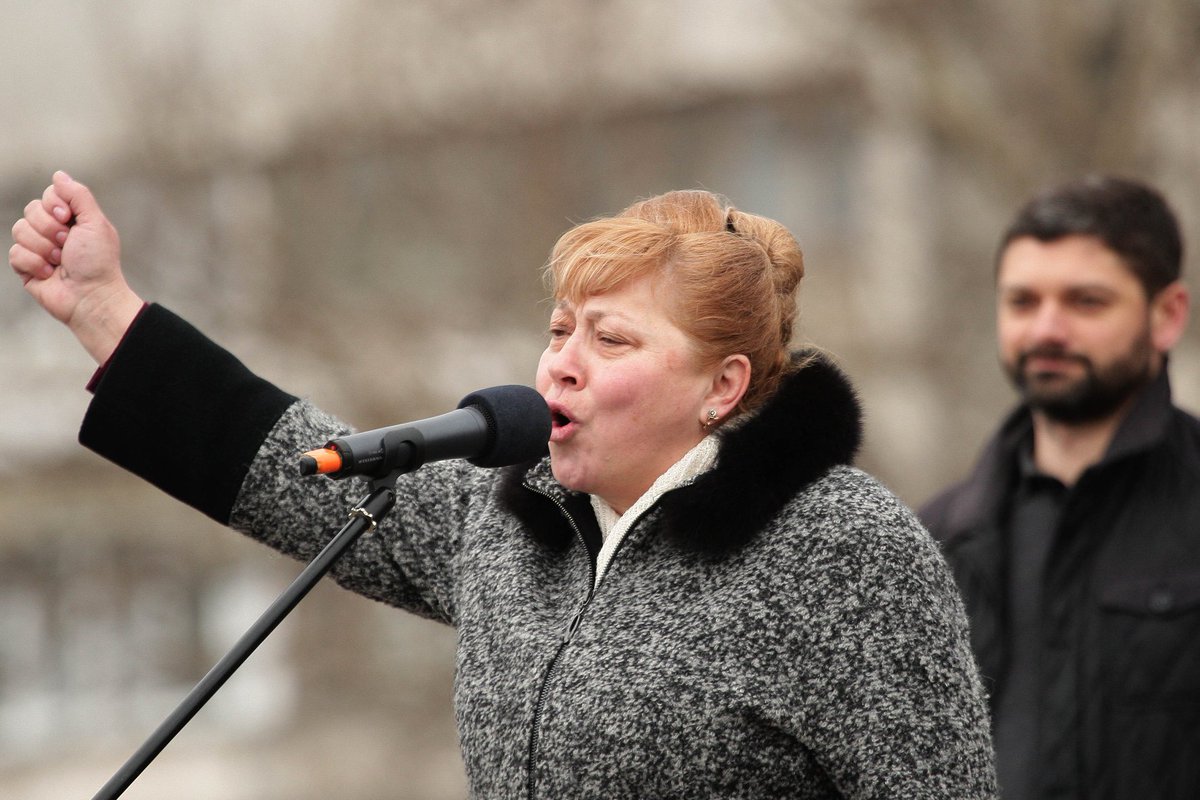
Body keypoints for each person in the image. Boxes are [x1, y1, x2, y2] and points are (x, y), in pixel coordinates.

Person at [11, 171, 996, 798]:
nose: (561, 362)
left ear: (721, 384)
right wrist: (106, 312)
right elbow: (311, 473)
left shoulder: (844, 551)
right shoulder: (514, 524)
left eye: (610, 338)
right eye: (560, 329)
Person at [919, 175, 1199, 799]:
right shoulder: (932, 543)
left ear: (1167, 314)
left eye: (1086, 302)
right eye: (1023, 302)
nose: (1047, 329)